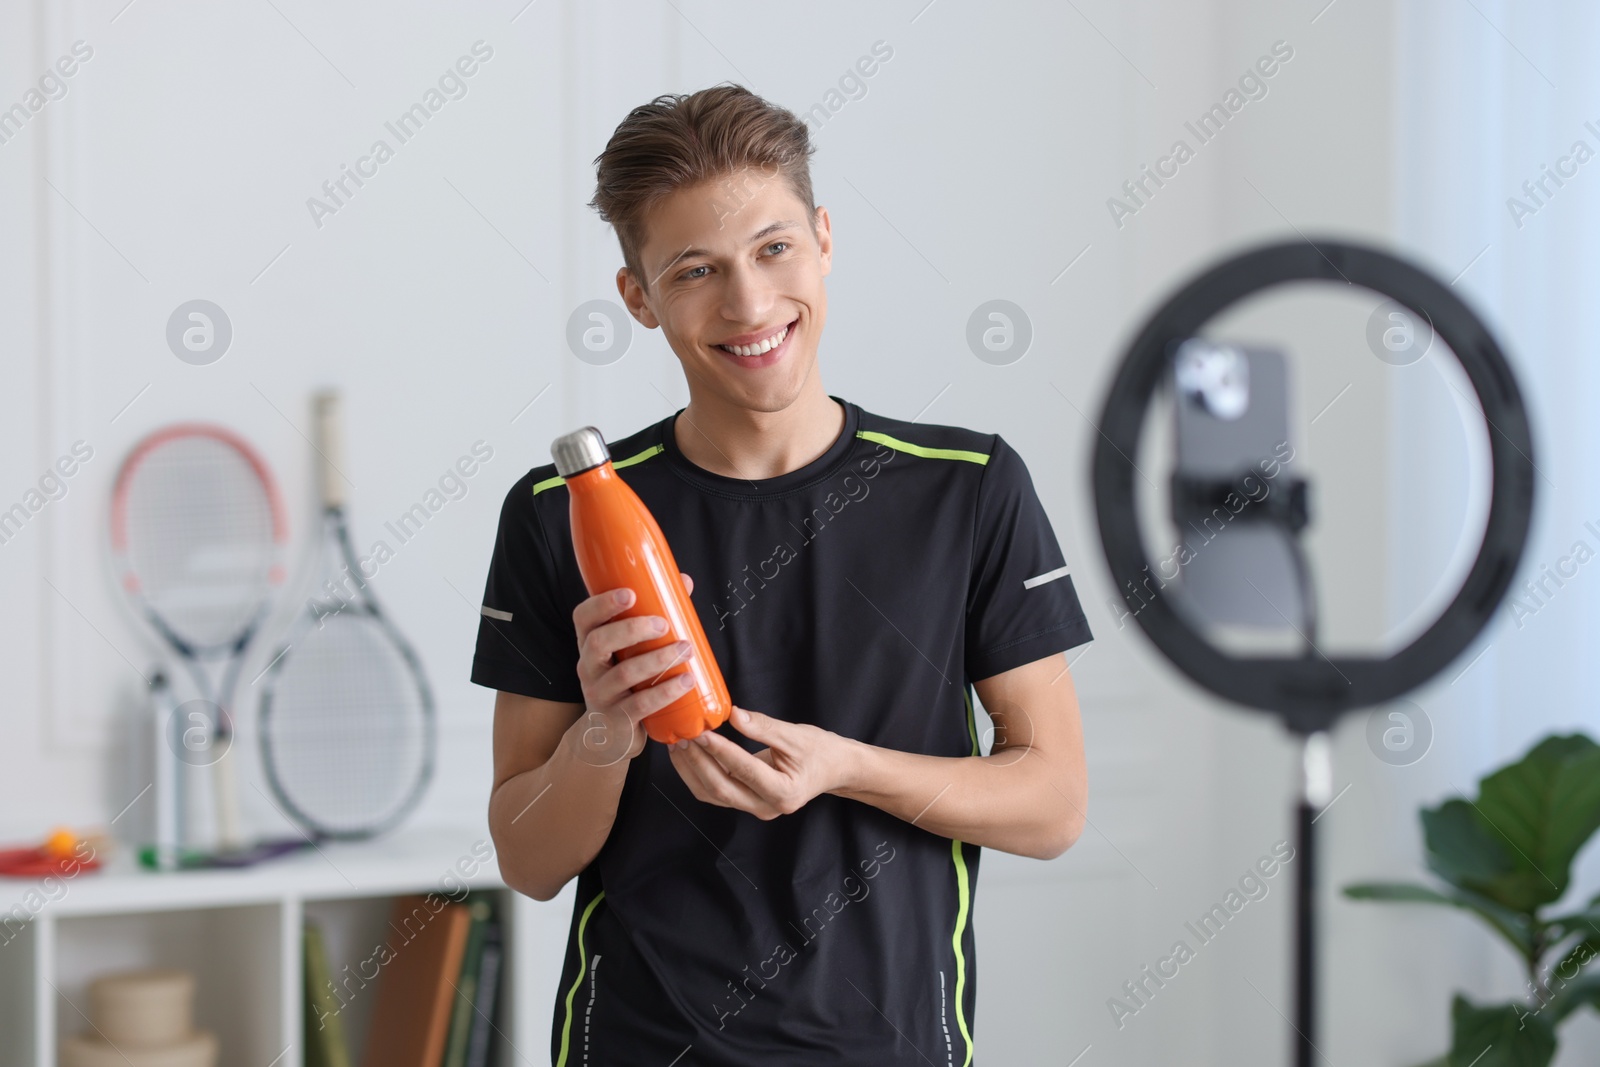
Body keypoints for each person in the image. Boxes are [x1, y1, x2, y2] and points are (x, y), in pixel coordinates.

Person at [473, 84, 1092, 1066]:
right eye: (694, 271)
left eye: (774, 249)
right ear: (637, 297)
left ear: (825, 239)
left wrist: (844, 766)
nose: (750, 304)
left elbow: (1053, 803)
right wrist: (606, 731)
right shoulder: (559, 515)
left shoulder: (966, 490)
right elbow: (527, 857)